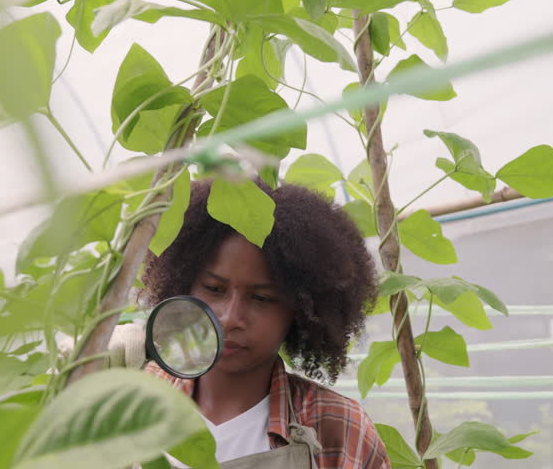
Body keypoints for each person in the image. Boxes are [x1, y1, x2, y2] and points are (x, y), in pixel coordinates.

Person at [141, 178, 390, 469]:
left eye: (261, 298)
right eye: (214, 288)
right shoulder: (133, 398)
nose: (230, 318)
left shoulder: (339, 428)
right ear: (183, 285)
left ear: (300, 312)